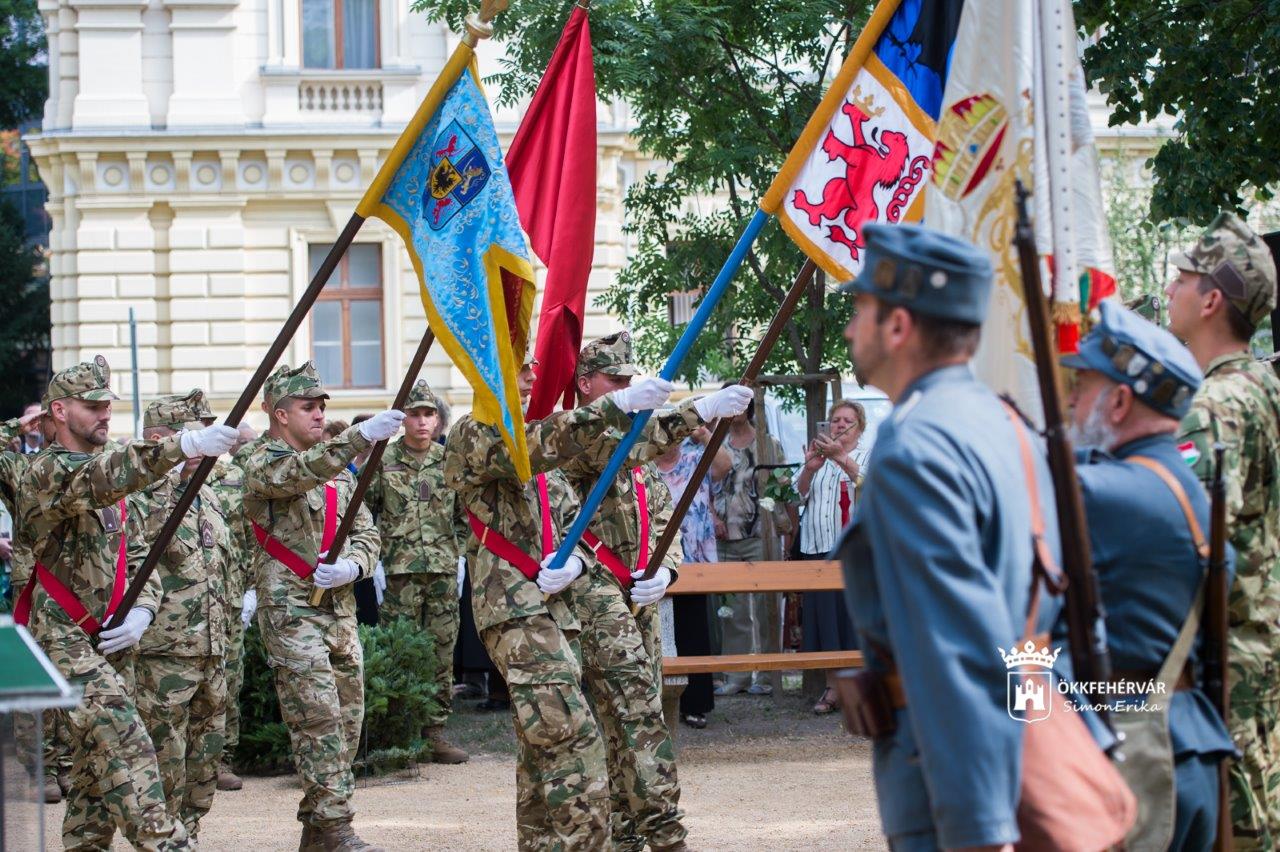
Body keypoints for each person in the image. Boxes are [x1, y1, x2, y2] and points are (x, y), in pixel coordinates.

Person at [833, 223, 1062, 848]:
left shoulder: (916, 446)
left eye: (861, 310)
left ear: (899, 326)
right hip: (1024, 742)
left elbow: (953, 653)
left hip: (950, 784)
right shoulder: (1005, 423)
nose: (852, 329)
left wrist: (978, 827)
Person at [443, 355, 674, 851]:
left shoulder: (539, 454)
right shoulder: (474, 434)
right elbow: (536, 447)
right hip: (513, 610)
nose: (533, 376)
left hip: (559, 613)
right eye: (520, 367)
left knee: (539, 748)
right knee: (573, 737)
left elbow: (576, 528)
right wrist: (619, 406)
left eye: (533, 366)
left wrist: (578, 564)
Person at [16, 356, 237, 850]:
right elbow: (109, 475)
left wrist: (143, 609)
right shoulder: (49, 471)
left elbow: (138, 553)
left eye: (106, 406)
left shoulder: (107, 469)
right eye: (92, 407)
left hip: (114, 640)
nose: (104, 415)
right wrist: (183, 444)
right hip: (64, 638)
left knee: (98, 772)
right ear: (60, 409)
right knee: (128, 744)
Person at [564, 332, 752, 852]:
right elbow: (619, 447)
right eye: (616, 380)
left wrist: (665, 573)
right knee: (638, 715)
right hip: (595, 594)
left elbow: (661, 520)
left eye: (631, 379)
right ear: (586, 385)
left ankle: (624, 831)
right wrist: (699, 409)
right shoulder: (581, 439)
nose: (628, 387)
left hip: (640, 600)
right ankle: (667, 835)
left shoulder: (639, 454)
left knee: (626, 713)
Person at [1060, 301, 1236, 849]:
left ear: (1118, 400)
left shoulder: (1104, 495)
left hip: (1132, 752)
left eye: (1082, 384)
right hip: (1187, 746)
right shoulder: (1186, 489)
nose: (1070, 399)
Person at [241, 361, 404, 852]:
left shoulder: (338, 477)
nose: (317, 416)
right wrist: (357, 440)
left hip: (338, 611)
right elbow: (293, 476)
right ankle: (336, 828)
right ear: (279, 414)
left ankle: (317, 831)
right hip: (290, 611)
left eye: (321, 408)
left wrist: (353, 566)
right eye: (307, 407)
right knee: (317, 717)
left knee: (348, 718)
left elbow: (367, 532)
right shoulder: (263, 460)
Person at [1165, 211, 1280, 847]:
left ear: (1211, 298)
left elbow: (1189, 537)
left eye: (1183, 275)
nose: (1173, 287)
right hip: (1259, 652)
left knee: (1237, 836)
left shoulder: (1217, 409)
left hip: (1231, 666)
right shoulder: (1263, 385)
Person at [129, 390, 233, 841]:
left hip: (212, 649)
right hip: (164, 654)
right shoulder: (143, 499)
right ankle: (164, 839)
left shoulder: (208, 495)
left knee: (205, 760)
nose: (207, 440)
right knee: (162, 759)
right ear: (159, 438)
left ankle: (187, 834)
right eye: (196, 432)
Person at [365, 379, 469, 764]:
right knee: (400, 648)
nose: (423, 422)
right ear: (402, 420)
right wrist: (374, 558)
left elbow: (464, 516)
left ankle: (435, 731)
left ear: (438, 421)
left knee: (441, 650)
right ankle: (403, 733)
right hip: (397, 572)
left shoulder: (450, 462)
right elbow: (363, 513)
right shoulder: (383, 462)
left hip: (442, 570)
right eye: (415, 414)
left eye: (429, 414)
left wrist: (457, 556)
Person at [655, 423, 731, 728]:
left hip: (693, 558)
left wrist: (703, 433)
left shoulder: (695, 456)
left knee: (694, 630)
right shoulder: (644, 465)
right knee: (656, 630)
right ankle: (654, 702)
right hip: (655, 558)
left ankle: (695, 704)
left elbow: (725, 465)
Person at [712, 387, 785, 696]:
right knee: (733, 609)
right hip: (724, 535)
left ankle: (768, 677)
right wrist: (713, 519)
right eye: (731, 402)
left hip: (761, 535)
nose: (737, 409)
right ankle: (737, 676)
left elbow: (783, 488)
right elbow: (702, 485)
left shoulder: (768, 445)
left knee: (768, 606)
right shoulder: (715, 443)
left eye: (743, 403)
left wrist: (781, 525)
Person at [797, 399, 865, 715]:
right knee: (826, 622)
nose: (838, 425)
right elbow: (797, 498)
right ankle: (832, 687)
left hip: (854, 553)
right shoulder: (819, 459)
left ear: (859, 427)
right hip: (817, 550)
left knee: (854, 621)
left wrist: (844, 461)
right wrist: (809, 470)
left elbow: (873, 487)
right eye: (834, 420)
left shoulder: (867, 456)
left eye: (846, 420)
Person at [209, 420, 258, 792]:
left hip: (230, 593)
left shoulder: (234, 477)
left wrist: (251, 587)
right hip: (183, 599)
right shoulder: (166, 478)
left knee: (230, 674)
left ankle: (223, 757)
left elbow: (250, 534)